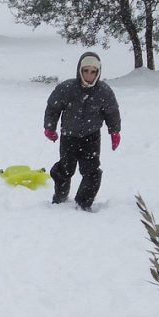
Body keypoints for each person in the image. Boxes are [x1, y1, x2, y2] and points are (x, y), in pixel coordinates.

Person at [43, 51, 122, 210]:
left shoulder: (104, 92)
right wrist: (50, 127)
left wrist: (114, 132)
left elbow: (112, 112)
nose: (89, 75)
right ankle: (60, 197)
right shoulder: (67, 88)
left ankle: (83, 203)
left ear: (98, 73)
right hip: (69, 136)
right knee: (65, 169)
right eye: (85, 71)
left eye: (93, 72)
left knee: (91, 172)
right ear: (80, 70)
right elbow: (53, 107)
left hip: (91, 137)